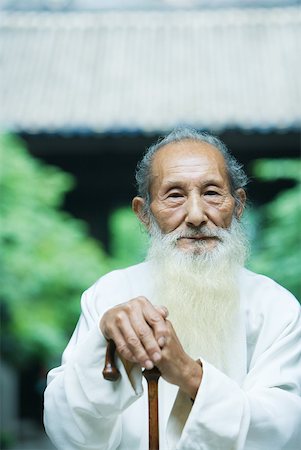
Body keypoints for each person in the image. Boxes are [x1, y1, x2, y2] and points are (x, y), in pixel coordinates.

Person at [44, 128, 301, 450]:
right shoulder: (110, 293)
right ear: (144, 214)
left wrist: (189, 375)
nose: (195, 215)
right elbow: (68, 431)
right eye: (175, 195)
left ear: (237, 206)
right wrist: (105, 344)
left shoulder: (274, 305)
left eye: (211, 193)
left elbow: (286, 428)